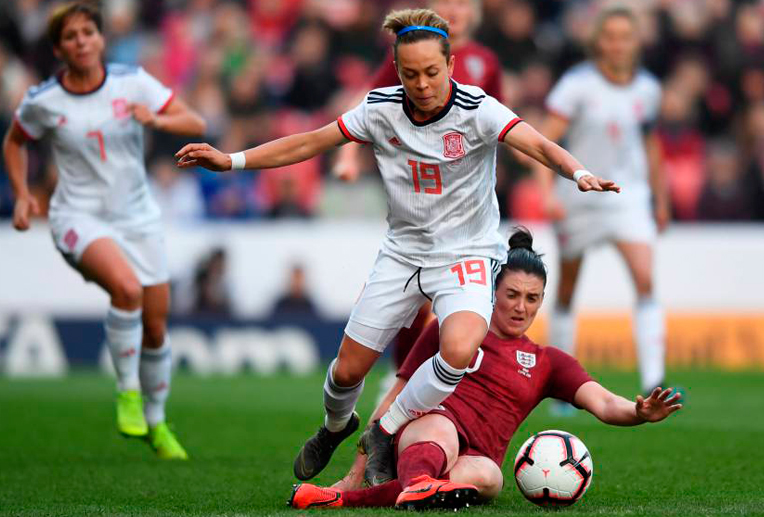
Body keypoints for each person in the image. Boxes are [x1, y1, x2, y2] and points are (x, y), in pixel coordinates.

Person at [176, 8, 618, 487]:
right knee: (346, 373)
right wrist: (232, 159)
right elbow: (309, 142)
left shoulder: (478, 109)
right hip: (402, 253)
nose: (422, 83)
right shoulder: (379, 108)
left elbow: (537, 144)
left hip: (467, 254)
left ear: (451, 65)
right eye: (410, 74)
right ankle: (335, 427)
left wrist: (578, 173)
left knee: (461, 348)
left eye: (432, 72)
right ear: (398, 69)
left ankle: (384, 430)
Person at [288, 229, 682, 510]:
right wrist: (355, 472)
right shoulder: (452, 330)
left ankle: (413, 491)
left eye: (532, 298)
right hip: (423, 436)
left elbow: (604, 402)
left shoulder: (547, 362)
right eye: (511, 294)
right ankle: (361, 493)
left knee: (491, 477)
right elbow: (393, 400)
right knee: (441, 428)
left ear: (542, 301)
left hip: (470, 462)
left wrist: (640, 413)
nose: (520, 306)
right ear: (493, 291)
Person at [2, 2, 205, 459]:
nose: (82, 41)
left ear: (99, 38)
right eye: (71, 36)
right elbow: (14, 142)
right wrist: (21, 193)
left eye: (88, 32)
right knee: (126, 289)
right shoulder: (43, 101)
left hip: (138, 217)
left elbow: (195, 122)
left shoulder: (131, 82)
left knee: (155, 327)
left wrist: (159, 118)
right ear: (59, 48)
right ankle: (127, 395)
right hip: (77, 217)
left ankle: (155, 421)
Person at [332, 0, 504, 379]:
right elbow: (366, 103)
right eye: (447, 3)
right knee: (412, 303)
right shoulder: (412, 53)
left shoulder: (484, 62)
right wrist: (348, 157)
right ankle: (400, 380)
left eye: (462, 4)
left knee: (458, 312)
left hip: (465, 203)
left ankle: (430, 386)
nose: (455, 10)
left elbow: (499, 120)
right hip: (418, 191)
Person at [535, 6, 670, 397]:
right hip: (580, 194)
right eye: (609, 36)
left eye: (624, 36)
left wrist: (661, 200)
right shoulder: (576, 86)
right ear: (598, 42)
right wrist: (547, 192)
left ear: (635, 42)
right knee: (566, 289)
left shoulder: (647, 90)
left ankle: (654, 380)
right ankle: (559, 384)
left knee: (645, 280)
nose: (617, 44)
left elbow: (651, 145)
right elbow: (546, 141)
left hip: (629, 197)